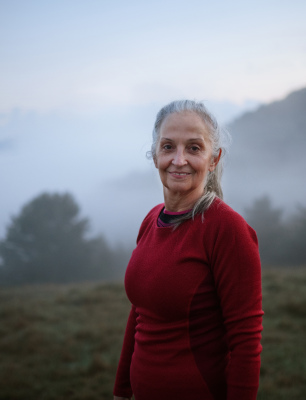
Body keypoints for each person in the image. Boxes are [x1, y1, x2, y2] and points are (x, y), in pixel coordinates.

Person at [113, 100, 263, 400]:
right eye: (168, 147)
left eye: (194, 148)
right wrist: (121, 390)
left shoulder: (227, 229)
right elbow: (141, 312)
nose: (179, 160)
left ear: (213, 159)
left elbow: (246, 343)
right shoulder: (151, 220)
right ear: (155, 155)